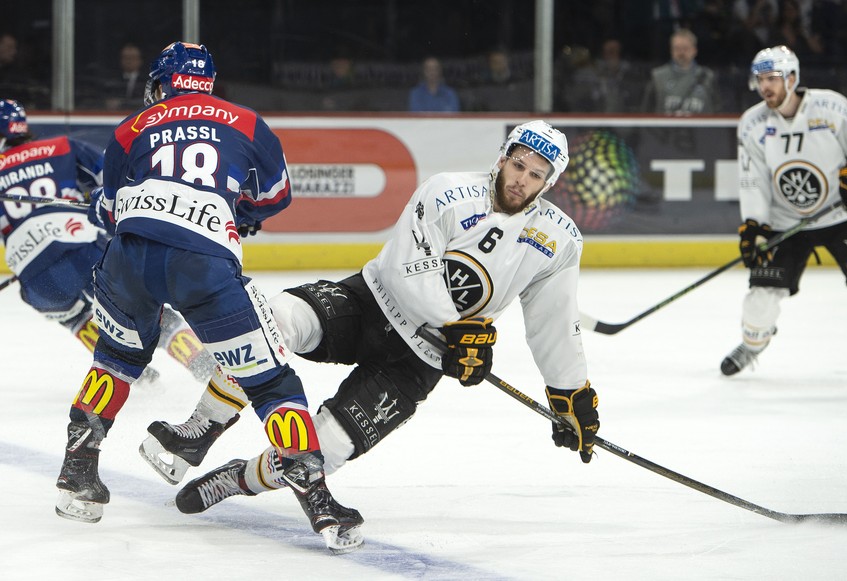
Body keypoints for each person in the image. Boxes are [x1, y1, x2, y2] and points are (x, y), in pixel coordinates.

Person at [140, 121, 601, 523]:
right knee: (272, 320)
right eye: (518, 165)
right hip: (369, 304)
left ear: (549, 183)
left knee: (325, 451)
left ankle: (238, 479)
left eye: (536, 174)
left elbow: (554, 321)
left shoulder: (558, 240)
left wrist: (569, 394)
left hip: (419, 362)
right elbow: (408, 267)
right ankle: (201, 429)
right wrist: (456, 329)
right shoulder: (448, 191)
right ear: (502, 159)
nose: (522, 179)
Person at [53, 41, 362, 554]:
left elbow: (107, 211)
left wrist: (102, 206)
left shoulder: (134, 126)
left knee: (114, 362)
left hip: (129, 262)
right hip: (202, 262)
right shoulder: (244, 121)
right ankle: (321, 504)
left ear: (162, 83)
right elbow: (276, 196)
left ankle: (77, 477)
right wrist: (237, 213)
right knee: (269, 383)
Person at [0, 98, 211, 384]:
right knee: (142, 308)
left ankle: (129, 373)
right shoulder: (61, 146)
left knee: (71, 316)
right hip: (83, 248)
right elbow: (113, 178)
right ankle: (198, 361)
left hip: (34, 274)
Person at [720, 45, 847, 375]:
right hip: (785, 222)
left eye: (772, 78)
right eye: (760, 80)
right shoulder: (752, 123)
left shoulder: (831, 106)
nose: (765, 87)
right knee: (759, 301)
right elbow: (753, 180)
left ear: (792, 77)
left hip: (841, 215)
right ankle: (752, 345)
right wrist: (754, 226)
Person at [641, 28, 720, 115]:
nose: (681, 53)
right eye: (677, 48)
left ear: (694, 50)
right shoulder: (657, 77)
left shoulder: (708, 77)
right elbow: (646, 112)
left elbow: (718, 110)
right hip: (667, 128)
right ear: (671, 50)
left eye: (685, 48)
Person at [103, 43, 148, 111]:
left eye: (132, 58)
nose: (129, 61)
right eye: (126, 58)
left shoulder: (147, 81)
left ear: (140, 60)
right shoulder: (113, 81)